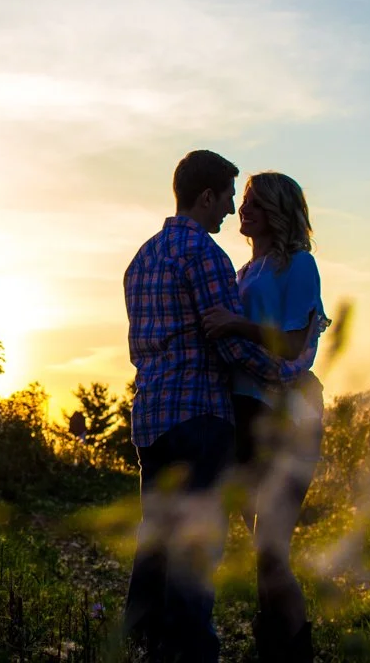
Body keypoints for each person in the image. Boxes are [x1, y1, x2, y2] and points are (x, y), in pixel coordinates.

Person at [122, 150, 292, 663]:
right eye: (224, 200)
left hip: (151, 418)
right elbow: (231, 345)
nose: (228, 214)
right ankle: (192, 652)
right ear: (206, 196)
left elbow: (140, 346)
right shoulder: (206, 256)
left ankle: (146, 642)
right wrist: (288, 373)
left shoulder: (142, 258)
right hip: (199, 415)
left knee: (159, 536)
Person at [202, 171, 326, 663]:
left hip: (288, 418)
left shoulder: (298, 266)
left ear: (277, 212)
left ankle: (295, 654)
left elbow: (294, 344)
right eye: (244, 201)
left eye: (253, 203)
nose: (242, 210)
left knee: (272, 550)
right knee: (262, 549)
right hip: (248, 416)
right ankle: (273, 647)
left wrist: (234, 323)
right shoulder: (243, 272)